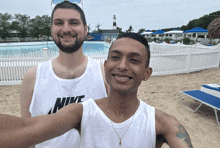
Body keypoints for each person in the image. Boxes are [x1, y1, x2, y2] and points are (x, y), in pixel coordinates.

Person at [0, 33, 193, 148]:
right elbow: (26, 129)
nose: (122, 66)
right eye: (116, 58)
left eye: (134, 60)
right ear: (106, 65)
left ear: (146, 73)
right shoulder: (81, 113)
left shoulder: (163, 123)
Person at [20, 0, 108, 148]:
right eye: (59, 23)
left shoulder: (103, 74)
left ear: (85, 29)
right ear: (52, 29)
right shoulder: (33, 77)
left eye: (73, 22)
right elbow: (26, 134)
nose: (66, 29)